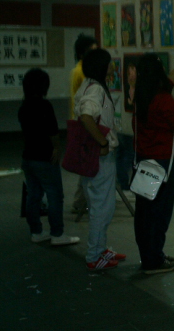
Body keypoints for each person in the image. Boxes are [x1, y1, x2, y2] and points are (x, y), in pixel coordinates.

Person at [132, 46, 174, 275]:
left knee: (145, 211)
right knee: (159, 212)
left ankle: (150, 254)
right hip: (161, 163)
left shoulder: (143, 93)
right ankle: (153, 261)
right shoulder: (162, 99)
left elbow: (171, 79)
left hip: (144, 161)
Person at [74, 48, 125, 270]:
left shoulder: (88, 85)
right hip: (100, 156)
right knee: (101, 207)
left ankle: (101, 249)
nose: (112, 66)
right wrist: (102, 142)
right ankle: (94, 255)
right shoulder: (95, 89)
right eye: (109, 63)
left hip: (90, 155)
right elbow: (87, 116)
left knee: (100, 204)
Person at [19, 68, 80, 246]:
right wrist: (57, 148)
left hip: (28, 156)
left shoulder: (23, 106)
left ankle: (36, 231)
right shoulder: (44, 106)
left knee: (34, 195)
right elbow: (53, 132)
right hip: (44, 157)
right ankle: (57, 233)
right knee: (55, 195)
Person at [70, 34, 98, 213]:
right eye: (91, 51)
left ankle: (82, 201)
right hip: (84, 123)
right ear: (82, 54)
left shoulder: (83, 69)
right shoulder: (82, 72)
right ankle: (79, 202)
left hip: (83, 121)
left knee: (88, 164)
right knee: (87, 164)